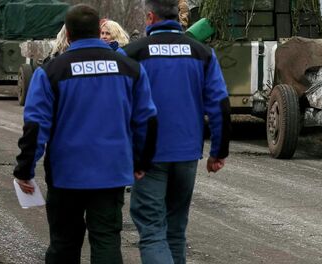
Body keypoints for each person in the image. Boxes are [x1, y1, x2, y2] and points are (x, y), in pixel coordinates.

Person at [12, 4, 158, 264]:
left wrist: (25, 168)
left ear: (67, 34)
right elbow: (146, 119)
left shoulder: (51, 72)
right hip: (111, 172)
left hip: (66, 174)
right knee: (106, 240)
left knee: (64, 242)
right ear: (99, 29)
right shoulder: (130, 69)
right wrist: (142, 161)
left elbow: (35, 125)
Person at [123, 0, 231, 263]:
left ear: (150, 17)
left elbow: (116, 105)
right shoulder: (202, 53)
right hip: (186, 154)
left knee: (151, 232)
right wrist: (218, 152)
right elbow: (220, 104)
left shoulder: (132, 53)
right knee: (175, 230)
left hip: (147, 157)